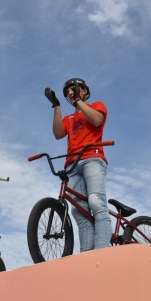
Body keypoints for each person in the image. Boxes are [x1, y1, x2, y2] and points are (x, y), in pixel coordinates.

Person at [44, 78, 112, 251]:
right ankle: (87, 256)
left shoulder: (97, 105)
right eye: (67, 92)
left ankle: (102, 251)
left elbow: (97, 120)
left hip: (92, 158)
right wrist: (56, 106)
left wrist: (79, 102)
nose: (70, 93)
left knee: (96, 202)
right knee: (80, 213)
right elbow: (58, 133)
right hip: (72, 164)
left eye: (73, 89)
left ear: (84, 90)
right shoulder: (69, 118)